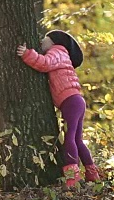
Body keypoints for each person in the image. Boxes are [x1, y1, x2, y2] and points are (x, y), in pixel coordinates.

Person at [16, 30, 100, 187]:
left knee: (70, 139)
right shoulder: (61, 54)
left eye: (45, 39)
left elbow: (44, 64)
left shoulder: (58, 51)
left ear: (54, 42)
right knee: (77, 140)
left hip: (70, 101)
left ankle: (72, 178)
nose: (41, 41)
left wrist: (27, 54)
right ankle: (92, 173)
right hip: (75, 100)